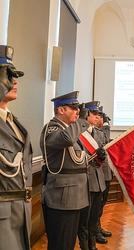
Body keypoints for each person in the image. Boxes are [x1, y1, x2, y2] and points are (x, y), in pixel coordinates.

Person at [40, 91, 90, 250]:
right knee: (61, 244)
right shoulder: (51, 129)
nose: (77, 112)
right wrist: (82, 120)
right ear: (61, 110)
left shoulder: (70, 130)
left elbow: (77, 160)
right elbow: (67, 139)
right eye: (74, 108)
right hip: (62, 199)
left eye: (78, 109)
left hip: (75, 196)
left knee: (68, 242)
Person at [0, 45, 32, 250]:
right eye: (7, 75)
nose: (14, 81)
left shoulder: (14, 122)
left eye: (15, 75)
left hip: (21, 211)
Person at [77, 101, 107, 250]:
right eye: (94, 114)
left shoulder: (99, 134)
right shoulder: (77, 132)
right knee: (84, 219)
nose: (97, 117)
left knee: (94, 217)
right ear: (86, 114)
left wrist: (102, 156)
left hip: (98, 180)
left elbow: (103, 157)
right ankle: (85, 246)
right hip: (84, 181)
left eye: (98, 115)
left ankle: (92, 244)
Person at [95, 108, 113, 243]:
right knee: (97, 204)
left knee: (102, 203)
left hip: (105, 173)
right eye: (97, 116)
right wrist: (106, 125)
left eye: (101, 116)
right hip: (99, 174)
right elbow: (106, 139)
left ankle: (98, 227)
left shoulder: (99, 131)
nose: (100, 119)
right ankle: (95, 230)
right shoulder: (95, 132)